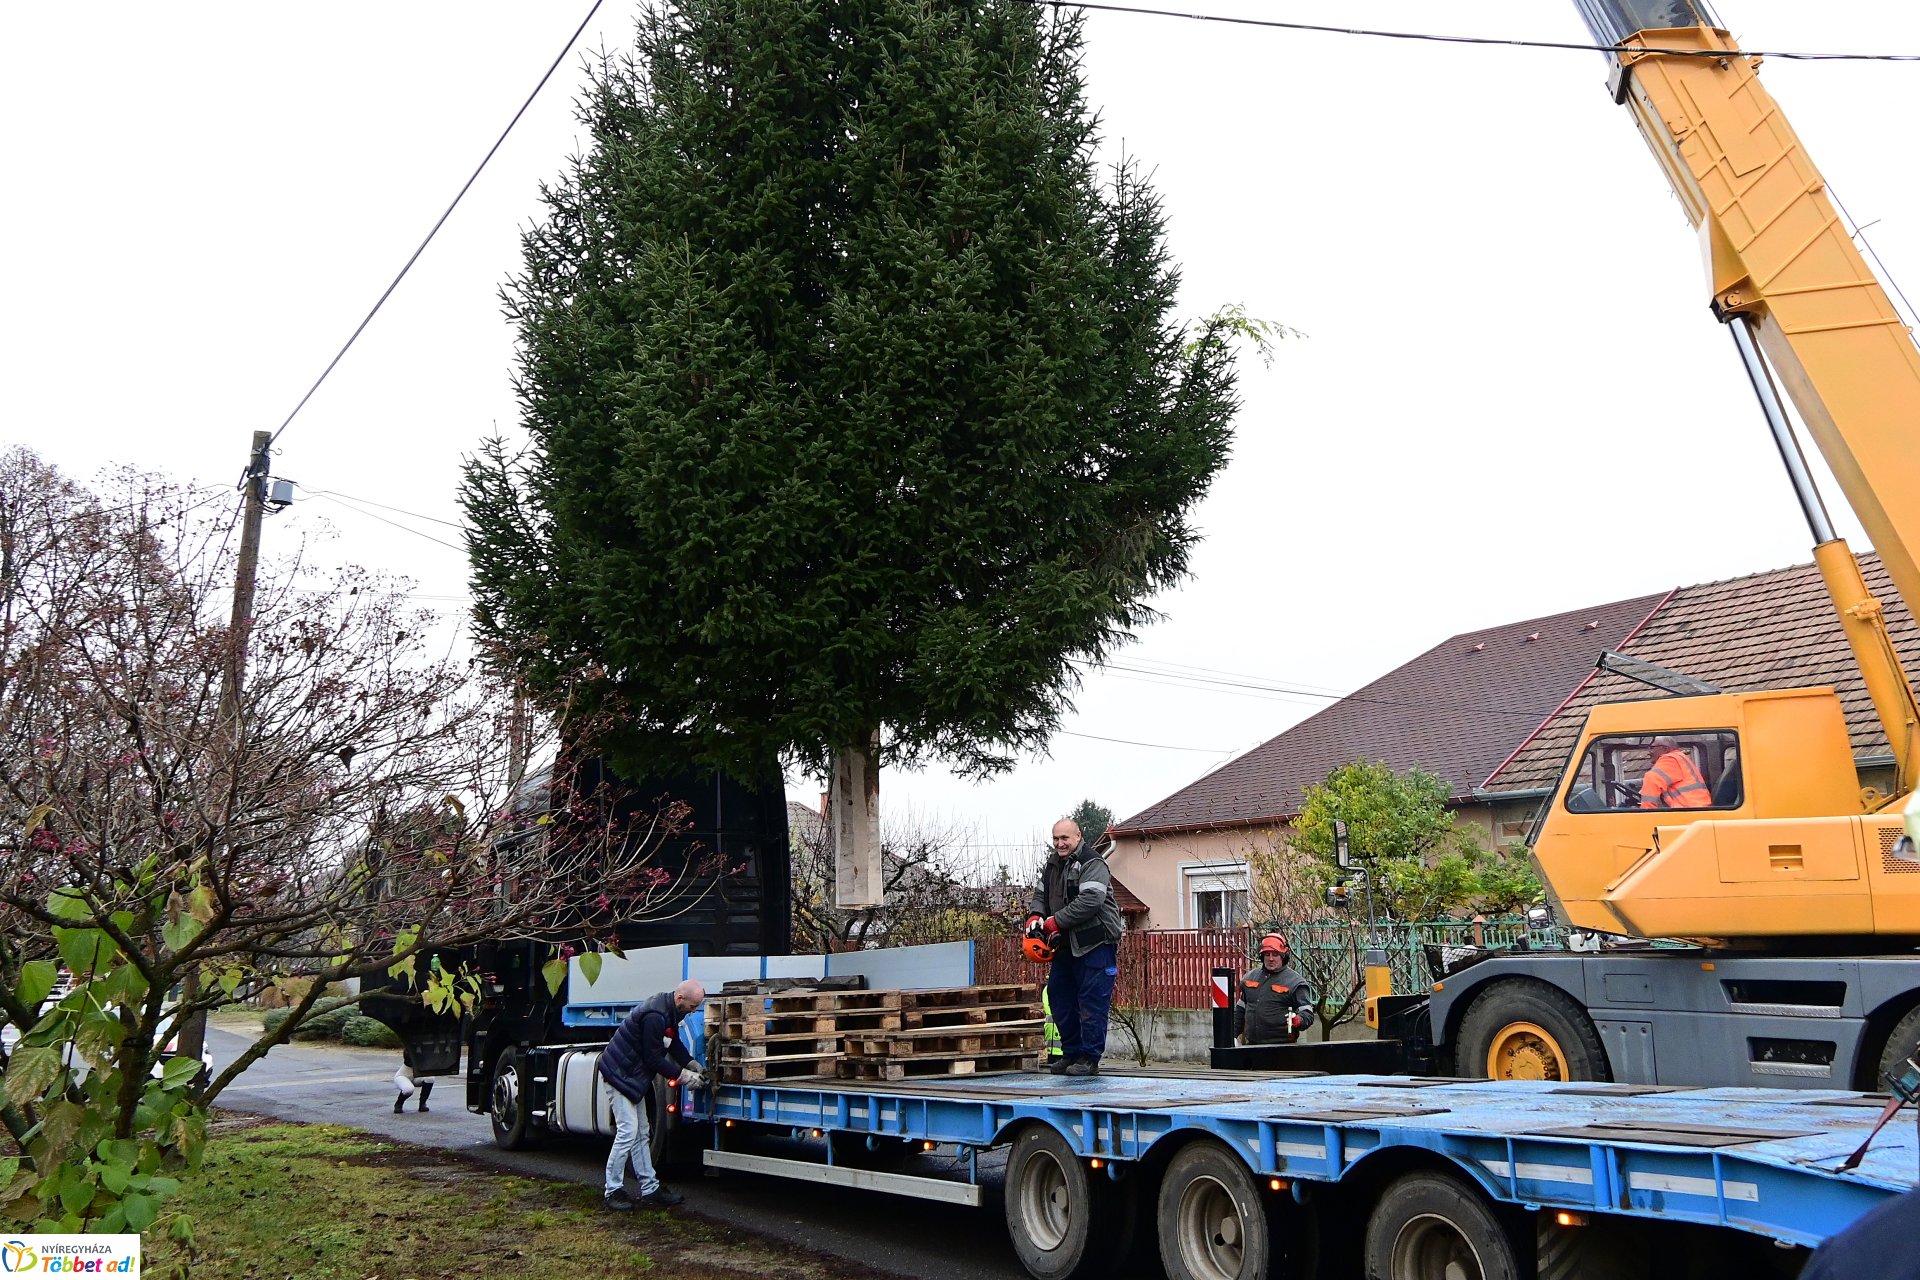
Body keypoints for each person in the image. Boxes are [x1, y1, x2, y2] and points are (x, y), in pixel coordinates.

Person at [1025, 818, 1124, 1077]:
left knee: (1092, 1001)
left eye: (1065, 838)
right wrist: (1035, 915)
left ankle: (1089, 1058)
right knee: (1059, 996)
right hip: (1067, 944)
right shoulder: (1052, 864)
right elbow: (1040, 895)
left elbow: (1091, 901)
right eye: (1056, 838)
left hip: (1096, 942)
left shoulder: (1093, 862)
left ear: (1078, 836)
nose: (1060, 843)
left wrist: (1053, 922)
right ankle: (1071, 1053)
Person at [599, 978, 707, 1211]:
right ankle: (612, 1189)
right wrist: (685, 1077)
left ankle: (650, 1189)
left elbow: (672, 1042)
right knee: (628, 1131)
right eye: (692, 1007)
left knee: (642, 1133)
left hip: (632, 1075)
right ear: (680, 998)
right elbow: (654, 1058)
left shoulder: (669, 1011)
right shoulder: (655, 1015)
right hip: (619, 1074)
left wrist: (691, 1063)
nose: (694, 1011)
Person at [1234, 934, 1317, 1045]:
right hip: (1252, 1047)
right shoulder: (1250, 978)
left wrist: (1298, 1020)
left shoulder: (1295, 983)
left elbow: (1307, 1014)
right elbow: (1240, 1011)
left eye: (1275, 954)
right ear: (1262, 956)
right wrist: (1232, 1035)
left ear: (1283, 956)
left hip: (1282, 1050)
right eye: (1267, 954)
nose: (1271, 958)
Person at [1639, 737, 1710, 810]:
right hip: (1693, 810)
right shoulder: (1679, 758)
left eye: (1652, 747)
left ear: (1665, 749)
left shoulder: (1670, 759)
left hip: (1687, 811)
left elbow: (1651, 779)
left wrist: (1647, 812)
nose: (1649, 752)